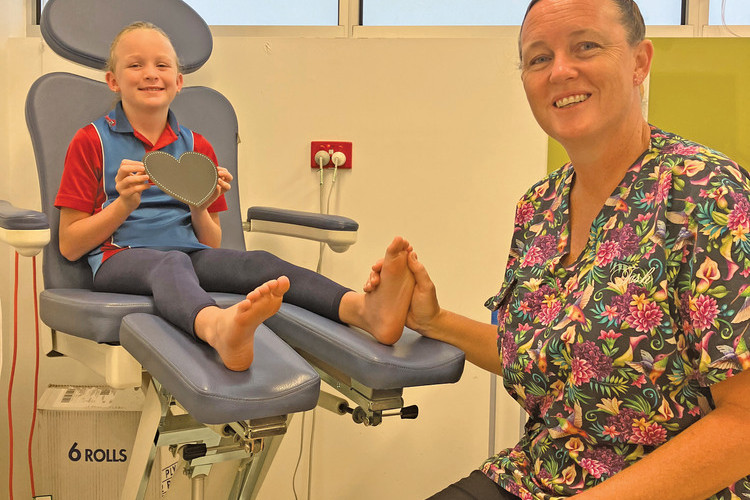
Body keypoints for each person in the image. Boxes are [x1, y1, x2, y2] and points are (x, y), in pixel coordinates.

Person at [367, 0, 750, 498]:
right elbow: (549, 360)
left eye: (585, 46)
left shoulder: (708, 194)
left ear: (640, 62)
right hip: (540, 477)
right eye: (538, 58)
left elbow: (743, 422)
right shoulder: (539, 207)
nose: (560, 71)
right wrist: (432, 319)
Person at [54, 21, 415, 372]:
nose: (151, 73)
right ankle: (218, 329)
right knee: (171, 263)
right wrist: (123, 206)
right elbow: (70, 246)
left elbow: (211, 240)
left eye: (162, 65)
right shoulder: (91, 141)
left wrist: (199, 206)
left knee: (256, 262)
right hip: (119, 259)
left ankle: (363, 310)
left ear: (178, 82)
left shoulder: (198, 148)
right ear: (113, 81)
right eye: (136, 65)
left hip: (190, 256)